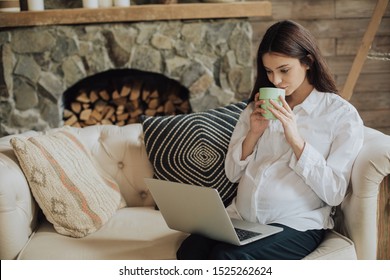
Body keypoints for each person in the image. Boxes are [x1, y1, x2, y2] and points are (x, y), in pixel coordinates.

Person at [176, 20, 364, 260]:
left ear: (308, 62)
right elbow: (232, 174)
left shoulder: (341, 115)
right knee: (190, 249)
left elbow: (335, 192)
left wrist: (295, 139)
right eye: (268, 71)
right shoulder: (257, 108)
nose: (275, 80)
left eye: (284, 70)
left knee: (227, 258)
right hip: (241, 218)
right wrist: (253, 133)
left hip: (296, 224)